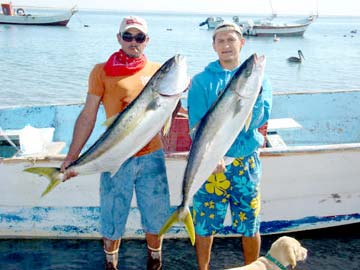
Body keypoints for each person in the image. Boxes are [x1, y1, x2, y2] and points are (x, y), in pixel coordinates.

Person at [60, 16, 171, 270]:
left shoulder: (158, 71)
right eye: (128, 36)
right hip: (115, 156)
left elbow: (171, 114)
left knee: (155, 218)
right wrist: (72, 156)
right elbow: (88, 115)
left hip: (151, 156)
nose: (134, 42)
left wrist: (178, 96)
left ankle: (155, 261)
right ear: (119, 38)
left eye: (139, 37)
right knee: (112, 218)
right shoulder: (101, 71)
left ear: (147, 41)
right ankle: (111, 265)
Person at [187, 21, 272, 269]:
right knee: (204, 224)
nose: (226, 45)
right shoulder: (201, 81)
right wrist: (210, 157)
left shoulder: (260, 79)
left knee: (250, 224)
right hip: (211, 164)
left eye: (231, 40)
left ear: (241, 43)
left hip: (246, 162)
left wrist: (252, 98)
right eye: (220, 41)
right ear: (214, 46)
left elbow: (260, 119)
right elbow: (196, 126)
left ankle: (252, 267)